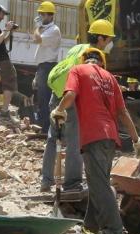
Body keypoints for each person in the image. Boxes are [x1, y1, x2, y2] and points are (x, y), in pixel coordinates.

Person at [52, 48, 140, 234]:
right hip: (110, 138)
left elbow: (70, 94)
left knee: (100, 185)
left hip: (93, 135)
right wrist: (136, 139)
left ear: (84, 60)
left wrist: (59, 109)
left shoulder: (78, 70)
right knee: (97, 183)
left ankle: (114, 230)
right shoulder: (110, 78)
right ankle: (90, 227)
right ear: (102, 63)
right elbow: (123, 113)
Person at [40, 19, 116, 192]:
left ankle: (46, 181)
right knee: (76, 141)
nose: (110, 42)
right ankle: (72, 183)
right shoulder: (93, 55)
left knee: (53, 138)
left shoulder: (77, 48)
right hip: (71, 98)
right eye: (108, 39)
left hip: (56, 94)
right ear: (100, 38)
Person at [33, 1, 61, 134]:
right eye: (40, 14)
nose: (41, 17)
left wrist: (37, 27)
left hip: (48, 66)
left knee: (45, 98)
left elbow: (37, 39)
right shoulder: (46, 29)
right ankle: (44, 126)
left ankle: (46, 128)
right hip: (42, 67)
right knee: (41, 98)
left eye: (43, 14)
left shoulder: (54, 30)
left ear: (50, 16)